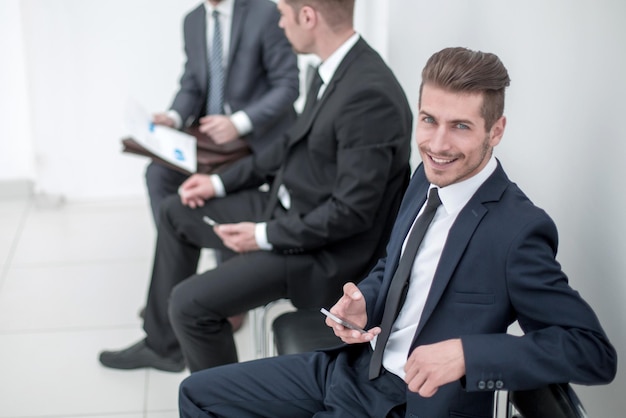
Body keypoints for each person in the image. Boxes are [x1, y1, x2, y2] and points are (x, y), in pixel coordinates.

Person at [177, 46, 618, 417]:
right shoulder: (426, 177)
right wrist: (367, 299)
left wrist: (467, 354)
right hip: (353, 367)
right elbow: (397, 263)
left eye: (460, 126)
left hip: (409, 402)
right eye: (429, 120)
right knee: (197, 394)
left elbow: (591, 352)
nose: (437, 144)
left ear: (495, 131)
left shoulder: (518, 230)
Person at [98, 0, 413, 374]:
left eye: (282, 14)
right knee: (175, 212)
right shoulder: (334, 69)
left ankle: (224, 401)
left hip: (320, 251)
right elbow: (286, 146)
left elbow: (351, 214)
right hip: (292, 213)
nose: (279, 24)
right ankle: (164, 345)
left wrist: (262, 235)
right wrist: (216, 183)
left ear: (308, 17)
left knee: (189, 304)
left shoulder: (367, 95)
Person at [146, 0, 300, 224]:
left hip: (258, 138)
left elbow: (288, 86)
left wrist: (238, 123)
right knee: (158, 174)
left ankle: (223, 247)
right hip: (209, 139)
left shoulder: (266, 13)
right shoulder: (193, 20)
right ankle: (174, 246)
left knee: (222, 187)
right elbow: (192, 83)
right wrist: (173, 117)